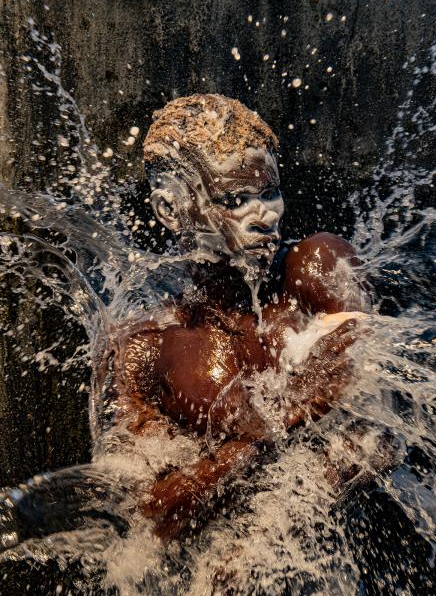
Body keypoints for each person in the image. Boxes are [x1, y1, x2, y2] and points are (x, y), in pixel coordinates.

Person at [104, 94, 368, 539]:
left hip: (335, 526)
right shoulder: (147, 345)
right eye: (236, 199)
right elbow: (151, 515)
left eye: (270, 193)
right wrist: (252, 444)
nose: (265, 216)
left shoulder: (313, 269)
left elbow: (369, 392)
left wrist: (245, 443)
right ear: (171, 210)